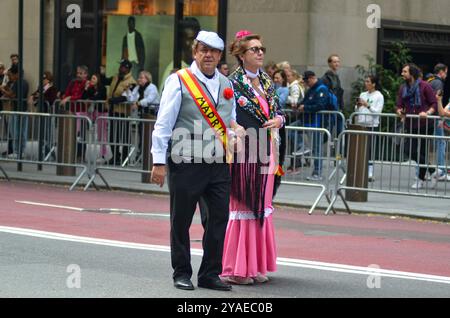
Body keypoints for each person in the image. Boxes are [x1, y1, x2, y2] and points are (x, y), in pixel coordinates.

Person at [151, 31, 243, 292]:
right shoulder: (179, 81)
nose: (208, 55)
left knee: (217, 219)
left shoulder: (227, 83)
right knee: (181, 220)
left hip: (218, 163)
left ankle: (210, 273)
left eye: (213, 51)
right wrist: (159, 161)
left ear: (220, 55)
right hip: (186, 161)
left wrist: (237, 131)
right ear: (195, 52)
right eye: (203, 49)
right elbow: (164, 124)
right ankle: (181, 272)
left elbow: (230, 119)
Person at [221, 30, 285, 285]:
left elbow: (279, 110)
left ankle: (256, 265)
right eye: (254, 49)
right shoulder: (231, 83)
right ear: (241, 54)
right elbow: (225, 115)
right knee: (244, 204)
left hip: (266, 150)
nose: (260, 53)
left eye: (262, 49)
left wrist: (279, 119)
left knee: (261, 205)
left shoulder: (267, 81)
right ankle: (237, 268)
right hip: (245, 150)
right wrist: (233, 130)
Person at [396, 63, 437, 189]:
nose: (402, 74)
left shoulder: (425, 86)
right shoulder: (403, 88)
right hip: (411, 123)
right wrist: (399, 111)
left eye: (405, 72)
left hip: (425, 124)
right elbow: (399, 105)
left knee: (423, 151)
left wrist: (427, 112)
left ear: (411, 73)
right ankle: (432, 171)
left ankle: (420, 179)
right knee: (409, 150)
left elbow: (434, 103)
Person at [103, 59, 137, 165]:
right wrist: (102, 74)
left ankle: (124, 158)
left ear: (127, 68)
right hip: (113, 110)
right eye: (120, 66)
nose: (120, 68)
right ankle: (115, 156)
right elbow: (106, 82)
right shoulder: (116, 77)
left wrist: (113, 100)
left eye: (122, 66)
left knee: (124, 135)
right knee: (113, 136)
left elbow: (127, 97)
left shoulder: (131, 82)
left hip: (123, 112)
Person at [123, 70, 160, 159]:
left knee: (150, 135)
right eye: (139, 77)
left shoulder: (152, 87)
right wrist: (128, 91)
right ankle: (141, 153)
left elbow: (149, 99)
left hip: (151, 114)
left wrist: (138, 103)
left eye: (141, 77)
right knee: (141, 134)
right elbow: (132, 98)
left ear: (147, 79)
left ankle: (150, 155)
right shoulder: (137, 88)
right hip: (142, 114)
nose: (139, 79)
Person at [355, 75, 384, 181]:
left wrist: (367, 105)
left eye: (368, 81)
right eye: (365, 81)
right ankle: (360, 170)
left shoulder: (379, 96)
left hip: (372, 125)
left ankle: (370, 172)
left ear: (373, 84)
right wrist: (358, 106)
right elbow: (357, 110)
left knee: (370, 149)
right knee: (361, 148)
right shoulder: (363, 94)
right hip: (361, 124)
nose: (365, 83)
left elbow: (377, 112)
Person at [160, 17, 201, 91]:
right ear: (182, 42)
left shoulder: (201, 67)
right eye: (191, 39)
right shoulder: (173, 70)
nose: (195, 43)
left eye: (197, 40)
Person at [0, 64, 29, 159]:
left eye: (11, 75)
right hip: (23, 110)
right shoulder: (24, 82)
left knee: (15, 131)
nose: (10, 77)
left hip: (17, 110)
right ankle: (21, 150)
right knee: (21, 131)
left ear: (16, 74)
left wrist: (3, 90)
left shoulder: (18, 83)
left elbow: (13, 95)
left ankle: (17, 151)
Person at [428, 64, 448, 183]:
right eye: (446, 72)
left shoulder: (429, 81)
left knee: (423, 143)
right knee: (441, 142)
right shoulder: (439, 83)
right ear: (441, 72)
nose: (446, 75)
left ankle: (419, 173)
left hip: (428, 117)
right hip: (435, 117)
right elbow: (437, 100)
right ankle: (440, 171)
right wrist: (440, 118)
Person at [82, 74, 108, 164]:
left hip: (101, 112)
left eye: (94, 78)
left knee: (101, 134)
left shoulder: (102, 88)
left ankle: (103, 155)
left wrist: (90, 99)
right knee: (91, 133)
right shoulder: (91, 88)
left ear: (98, 79)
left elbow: (100, 97)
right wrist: (86, 88)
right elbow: (84, 97)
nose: (91, 80)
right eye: (91, 78)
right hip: (92, 112)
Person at [122, 16, 145, 80]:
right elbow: (123, 52)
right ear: (128, 24)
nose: (132, 25)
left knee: (135, 81)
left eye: (133, 23)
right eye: (131, 23)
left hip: (136, 63)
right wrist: (122, 63)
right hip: (127, 63)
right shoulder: (125, 38)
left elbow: (142, 52)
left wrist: (141, 65)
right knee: (126, 81)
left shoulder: (138, 36)